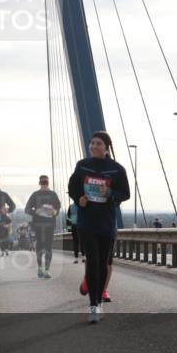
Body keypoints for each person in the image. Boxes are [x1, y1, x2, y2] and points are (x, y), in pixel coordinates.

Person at [68, 131, 129, 324]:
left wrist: (110, 192)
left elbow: (125, 193)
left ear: (106, 147)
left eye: (98, 144)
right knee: (93, 262)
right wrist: (79, 199)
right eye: (92, 143)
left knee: (103, 263)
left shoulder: (116, 169)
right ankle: (94, 304)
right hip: (87, 222)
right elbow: (73, 186)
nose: (94, 146)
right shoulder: (82, 165)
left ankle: (98, 302)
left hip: (106, 223)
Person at [25, 175, 61, 279]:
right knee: (40, 247)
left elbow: (58, 209)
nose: (44, 183)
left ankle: (47, 270)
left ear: (48, 182)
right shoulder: (35, 195)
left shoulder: (53, 194)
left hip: (50, 224)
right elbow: (27, 209)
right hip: (38, 224)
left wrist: (54, 211)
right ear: (39, 183)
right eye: (42, 181)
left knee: (48, 247)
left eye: (46, 181)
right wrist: (35, 211)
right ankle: (40, 267)